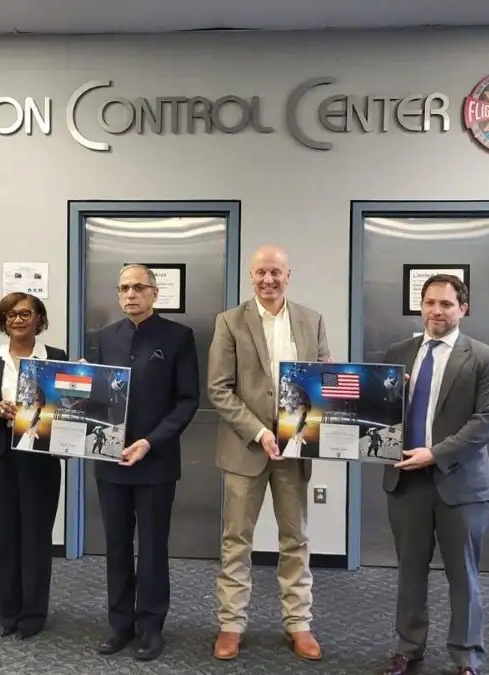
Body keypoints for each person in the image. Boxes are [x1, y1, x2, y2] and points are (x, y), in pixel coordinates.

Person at [378, 274, 489, 675]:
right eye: (430, 302)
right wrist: (373, 391)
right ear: (421, 305)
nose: (437, 311)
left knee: (463, 575)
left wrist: (434, 454)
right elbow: (377, 413)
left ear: (462, 309)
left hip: (462, 485)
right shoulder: (398, 353)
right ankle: (408, 648)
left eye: (446, 304)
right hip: (407, 483)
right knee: (409, 572)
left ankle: (466, 656)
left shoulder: (484, 358)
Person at [207, 244, 331, 661]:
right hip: (246, 448)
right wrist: (259, 432)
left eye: (276, 272)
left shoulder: (311, 321)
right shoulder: (229, 322)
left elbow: (324, 382)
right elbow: (219, 389)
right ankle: (230, 624)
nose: (268, 280)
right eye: (261, 272)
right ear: (251, 276)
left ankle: (299, 623)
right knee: (236, 540)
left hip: (294, 450)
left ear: (288, 275)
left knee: (295, 538)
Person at [92, 264, 199, 661]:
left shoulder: (178, 337)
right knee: (116, 546)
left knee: (152, 547)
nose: (130, 294)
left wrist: (150, 442)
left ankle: (151, 626)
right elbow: (97, 396)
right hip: (110, 461)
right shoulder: (104, 337)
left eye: (138, 287)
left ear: (155, 292)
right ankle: (120, 623)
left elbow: (187, 400)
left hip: (156, 461)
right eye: (123, 288)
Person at [0, 292, 66, 639]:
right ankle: (6, 612)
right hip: (0, 457)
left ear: (39, 319)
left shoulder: (56, 358)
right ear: (3, 321)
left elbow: (66, 408)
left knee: (37, 536)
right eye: (10, 314)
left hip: (40, 458)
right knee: (7, 535)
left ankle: (33, 614)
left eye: (26, 313)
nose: (18, 320)